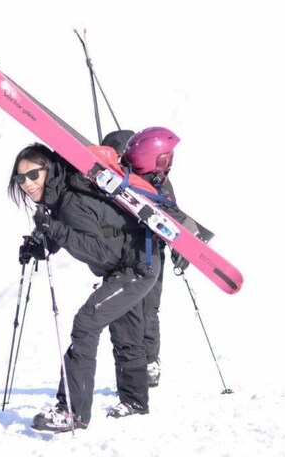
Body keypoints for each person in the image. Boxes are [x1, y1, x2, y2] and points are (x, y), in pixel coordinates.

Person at [8, 143, 161, 432]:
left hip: (134, 269)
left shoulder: (69, 201)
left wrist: (53, 229)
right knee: (126, 332)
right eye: (21, 178)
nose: (27, 184)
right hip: (134, 263)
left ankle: (72, 411)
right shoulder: (62, 196)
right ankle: (135, 402)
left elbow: (99, 251)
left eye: (33, 175)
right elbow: (76, 232)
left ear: (48, 170)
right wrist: (40, 246)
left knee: (86, 323)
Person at [102, 127, 191, 389]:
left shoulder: (159, 180)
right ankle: (131, 369)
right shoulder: (111, 177)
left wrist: (182, 247)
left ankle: (150, 360)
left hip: (151, 251)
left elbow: (173, 214)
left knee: (149, 309)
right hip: (121, 252)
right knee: (125, 313)